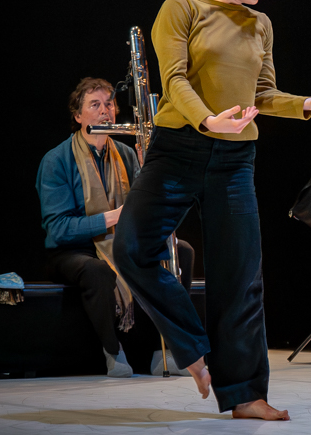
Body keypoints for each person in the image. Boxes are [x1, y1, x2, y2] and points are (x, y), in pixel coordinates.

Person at [112, 0, 311, 420]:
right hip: (178, 149)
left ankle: (245, 394)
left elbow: (263, 95)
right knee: (132, 247)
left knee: (240, 276)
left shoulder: (260, 23)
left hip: (235, 159)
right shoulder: (182, 9)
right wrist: (206, 120)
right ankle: (194, 348)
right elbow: (173, 80)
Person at [36, 77, 194, 377]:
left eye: (109, 104)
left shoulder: (126, 153)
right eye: (94, 105)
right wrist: (113, 217)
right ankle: (113, 351)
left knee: (180, 250)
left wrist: (152, 167)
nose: (105, 111)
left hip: (123, 240)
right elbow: (58, 230)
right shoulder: (57, 160)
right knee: (98, 270)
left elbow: (148, 207)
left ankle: (166, 349)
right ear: (78, 116)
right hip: (75, 250)